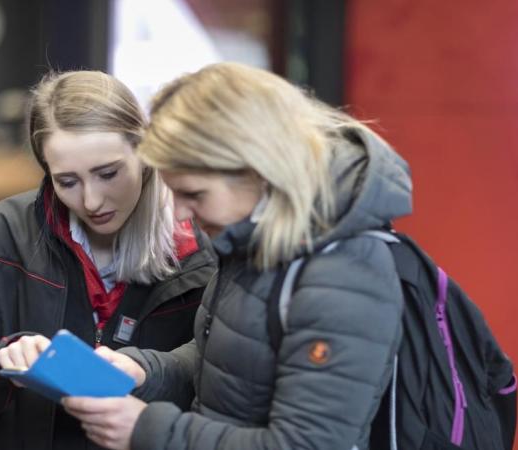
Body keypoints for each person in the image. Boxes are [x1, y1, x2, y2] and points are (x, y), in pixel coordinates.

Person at [63, 62, 413, 450]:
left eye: (194, 194)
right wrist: (144, 371)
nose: (180, 213)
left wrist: (149, 430)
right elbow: (233, 360)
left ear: (258, 171)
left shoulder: (344, 274)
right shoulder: (252, 239)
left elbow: (307, 444)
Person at [0, 70, 216, 450]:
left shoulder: (201, 247)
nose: (91, 201)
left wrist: (150, 371)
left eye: (108, 173)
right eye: (67, 181)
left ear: (144, 150)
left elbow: (225, 389)